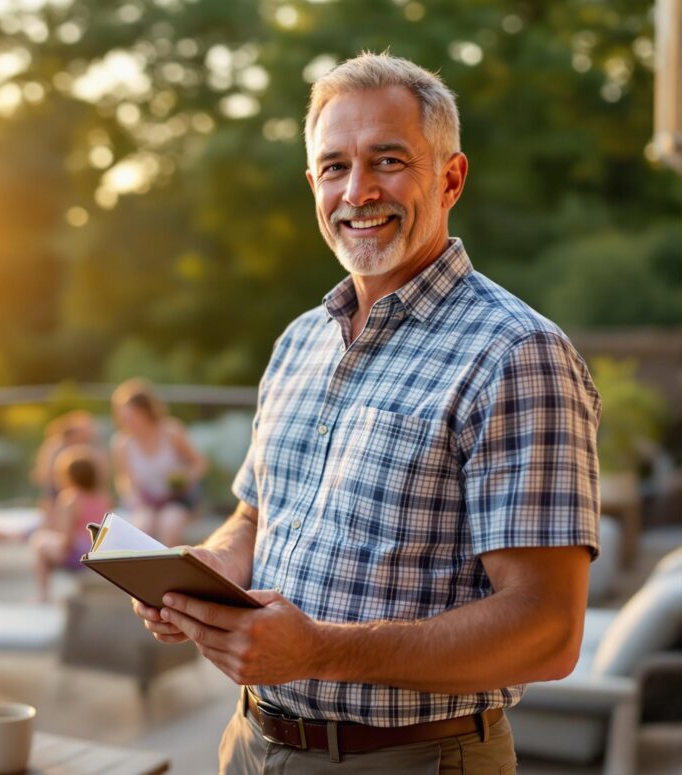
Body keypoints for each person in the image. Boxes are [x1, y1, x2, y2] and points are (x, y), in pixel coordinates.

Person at [132, 52, 600, 774]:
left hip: (414, 757)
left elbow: (548, 630)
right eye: (333, 166)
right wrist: (209, 569)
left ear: (450, 178)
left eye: (387, 160)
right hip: (250, 744)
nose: (358, 191)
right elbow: (257, 514)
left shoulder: (517, 353)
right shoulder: (299, 340)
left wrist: (319, 647)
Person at [110, 379, 209, 547]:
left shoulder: (172, 431)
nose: (127, 422)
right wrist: (133, 495)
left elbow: (200, 464)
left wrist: (185, 477)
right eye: (124, 417)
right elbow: (123, 479)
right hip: (146, 501)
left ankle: (170, 572)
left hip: (177, 499)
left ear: (146, 412)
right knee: (142, 525)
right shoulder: (121, 443)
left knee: (169, 523)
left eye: (131, 417)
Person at [30, 444, 112, 601]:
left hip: (79, 557)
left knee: (39, 543)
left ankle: (43, 594)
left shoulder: (70, 499)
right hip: (99, 555)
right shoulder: (103, 498)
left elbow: (66, 539)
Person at [30, 410, 104, 525]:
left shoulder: (90, 450)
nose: (89, 434)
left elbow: (98, 481)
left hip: (78, 497)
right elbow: (46, 482)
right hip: (60, 497)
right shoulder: (55, 449)